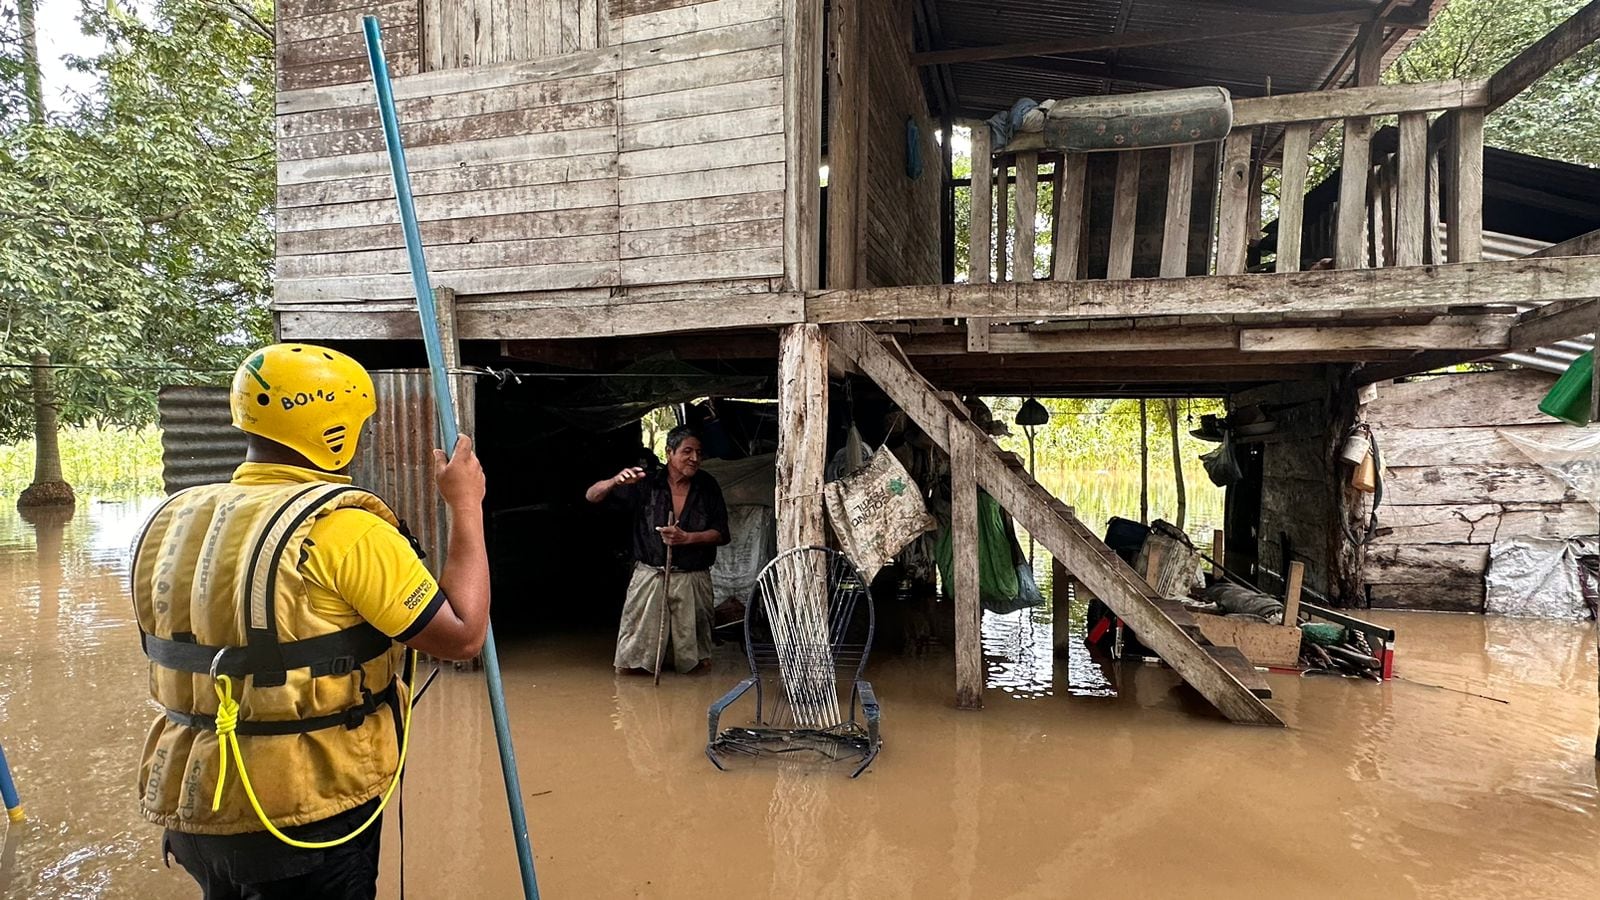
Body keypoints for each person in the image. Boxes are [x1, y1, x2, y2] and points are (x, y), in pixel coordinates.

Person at [129, 343, 492, 899]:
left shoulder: (170, 519)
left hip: (192, 800)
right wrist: (466, 506)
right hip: (301, 811)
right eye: (360, 426)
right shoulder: (346, 529)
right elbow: (463, 634)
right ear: (334, 429)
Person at [586, 425, 729, 675]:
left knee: (696, 661)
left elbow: (721, 533)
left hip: (692, 579)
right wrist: (614, 481)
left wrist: (687, 538)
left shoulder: (708, 486)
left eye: (699, 452)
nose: (695, 458)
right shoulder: (646, 483)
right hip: (649, 577)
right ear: (669, 452)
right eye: (687, 451)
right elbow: (591, 496)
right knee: (632, 662)